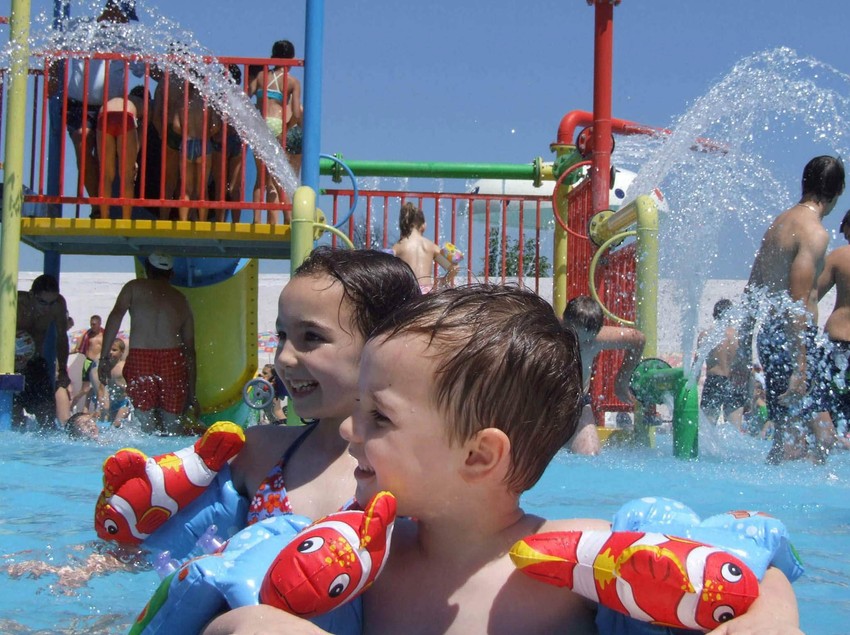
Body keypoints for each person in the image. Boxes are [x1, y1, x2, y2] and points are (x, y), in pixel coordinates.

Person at [204, 285, 802, 635]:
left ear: (479, 455)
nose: (351, 432)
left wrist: (769, 623)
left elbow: (753, 575)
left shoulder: (585, 562)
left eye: (378, 417)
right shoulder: (359, 564)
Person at [228, 247, 420, 525]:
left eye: (311, 336)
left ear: (382, 345)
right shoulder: (257, 453)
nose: (284, 357)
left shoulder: (414, 479)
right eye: (282, 335)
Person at [733, 155, 845, 464]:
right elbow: (798, 303)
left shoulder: (779, 223)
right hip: (793, 342)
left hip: (770, 338)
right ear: (839, 190)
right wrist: (801, 366)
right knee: (822, 438)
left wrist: (744, 350)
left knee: (786, 437)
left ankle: (770, 489)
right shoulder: (815, 233)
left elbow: (752, 290)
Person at [54, 0, 144, 216]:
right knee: (82, 140)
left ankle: (111, 204)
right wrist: (53, 74)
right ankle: (97, 205)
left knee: (111, 157)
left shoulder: (126, 37)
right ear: (111, 10)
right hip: (79, 103)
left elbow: (140, 68)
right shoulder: (80, 27)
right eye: (123, 16)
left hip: (109, 105)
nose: (124, 22)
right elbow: (56, 51)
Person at [99, 253, 197, 434]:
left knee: (144, 422)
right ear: (171, 274)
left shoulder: (133, 288)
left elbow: (115, 318)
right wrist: (192, 392)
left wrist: (103, 357)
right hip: (172, 357)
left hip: (141, 355)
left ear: (147, 270)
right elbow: (190, 350)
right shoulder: (180, 299)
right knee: (172, 422)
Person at [561, 295, 645, 455]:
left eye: (586, 342)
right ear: (564, 323)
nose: (578, 345)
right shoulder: (548, 331)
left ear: (597, 332)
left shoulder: (597, 339)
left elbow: (638, 340)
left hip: (578, 405)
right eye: (572, 338)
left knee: (589, 456)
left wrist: (621, 381)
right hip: (544, 406)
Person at [249, 40, 303, 225]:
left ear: (272, 57)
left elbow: (243, 97)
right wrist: (287, 127)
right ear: (292, 60)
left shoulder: (261, 77)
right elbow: (296, 112)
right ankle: (287, 218)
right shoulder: (292, 82)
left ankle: (256, 220)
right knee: (279, 177)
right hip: (278, 125)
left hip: (261, 125)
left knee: (260, 178)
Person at [14, 274, 71, 429]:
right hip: (9, 366)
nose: (46, 308)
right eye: (42, 302)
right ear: (32, 295)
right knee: (13, 416)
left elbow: (61, 338)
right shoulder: (15, 303)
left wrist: (63, 369)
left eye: (50, 303)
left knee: (47, 416)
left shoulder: (58, 306)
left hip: (34, 363)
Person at [170, 79, 219, 221]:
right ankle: (202, 222)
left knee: (186, 188)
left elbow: (175, 126)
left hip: (187, 143)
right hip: (203, 144)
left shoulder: (183, 103)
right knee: (202, 188)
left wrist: (186, 133)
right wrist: (206, 135)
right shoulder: (207, 104)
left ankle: (184, 222)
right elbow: (216, 126)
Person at [698, 299, 747, 427]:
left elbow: (696, 368)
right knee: (735, 429)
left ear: (714, 315)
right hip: (735, 382)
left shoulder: (706, 335)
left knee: (707, 429)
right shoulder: (739, 337)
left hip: (714, 381)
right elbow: (746, 366)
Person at [391, 202, 458, 292]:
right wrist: (443, 281)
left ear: (402, 226)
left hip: (408, 292)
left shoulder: (398, 247)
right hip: (427, 294)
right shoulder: (431, 247)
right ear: (424, 226)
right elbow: (454, 268)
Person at [210, 64, 246, 223]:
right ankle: (236, 221)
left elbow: (214, 122)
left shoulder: (218, 96)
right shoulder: (240, 97)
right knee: (235, 186)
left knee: (220, 184)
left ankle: (219, 220)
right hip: (236, 141)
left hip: (220, 140)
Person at [70, 314, 105, 414]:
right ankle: (71, 405)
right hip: (88, 362)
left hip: (99, 363)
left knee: (100, 388)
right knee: (85, 389)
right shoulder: (87, 334)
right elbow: (78, 346)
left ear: (99, 323)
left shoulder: (105, 334)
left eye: (94, 324)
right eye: (91, 324)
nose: (92, 326)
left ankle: (97, 411)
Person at [101, 338, 132, 427]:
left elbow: (131, 385)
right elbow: (106, 387)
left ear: (122, 352)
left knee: (116, 424)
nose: (110, 352)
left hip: (125, 401)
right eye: (109, 350)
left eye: (114, 350)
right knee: (112, 428)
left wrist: (123, 387)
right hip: (113, 402)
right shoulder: (107, 368)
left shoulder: (124, 366)